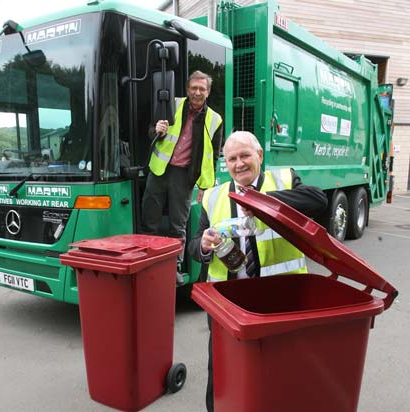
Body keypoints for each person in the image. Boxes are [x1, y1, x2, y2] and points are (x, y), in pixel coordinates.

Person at [187, 130, 328, 412]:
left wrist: (264, 202)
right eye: (232, 159)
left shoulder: (283, 180)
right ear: (225, 164)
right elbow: (192, 248)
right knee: (223, 369)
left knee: (280, 368)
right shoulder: (213, 197)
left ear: (259, 156)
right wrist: (202, 244)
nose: (239, 164)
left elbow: (318, 200)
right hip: (228, 302)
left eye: (245, 156)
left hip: (280, 300)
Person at [141, 70, 223, 285]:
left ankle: (174, 268)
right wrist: (155, 130)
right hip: (159, 170)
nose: (197, 92)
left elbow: (212, 156)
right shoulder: (171, 103)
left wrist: (206, 187)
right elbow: (150, 130)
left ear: (208, 92)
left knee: (178, 226)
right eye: (193, 88)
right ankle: (148, 260)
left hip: (184, 176)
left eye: (202, 89)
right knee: (150, 218)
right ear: (187, 89)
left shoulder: (215, 119)